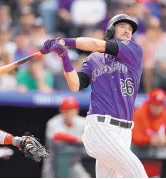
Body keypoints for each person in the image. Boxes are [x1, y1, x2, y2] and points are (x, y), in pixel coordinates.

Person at [40, 14, 148, 177]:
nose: (127, 31)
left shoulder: (134, 50)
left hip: (125, 132)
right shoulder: (94, 59)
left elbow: (95, 44)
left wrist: (65, 41)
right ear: (111, 30)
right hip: (100, 128)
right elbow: (75, 85)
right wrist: (64, 56)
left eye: (130, 29)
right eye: (123, 27)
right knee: (137, 173)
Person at [42, 96, 90, 178]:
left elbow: (92, 140)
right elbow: (57, 137)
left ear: (76, 111)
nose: (69, 113)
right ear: (61, 111)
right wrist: (78, 140)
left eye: (71, 110)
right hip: (54, 163)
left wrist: (80, 141)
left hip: (74, 163)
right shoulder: (53, 122)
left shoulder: (83, 122)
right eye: (66, 110)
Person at [132, 88, 166, 177]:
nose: (157, 108)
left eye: (159, 105)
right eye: (154, 104)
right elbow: (135, 137)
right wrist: (150, 140)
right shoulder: (139, 114)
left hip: (157, 166)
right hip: (137, 164)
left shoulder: (164, 114)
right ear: (149, 102)